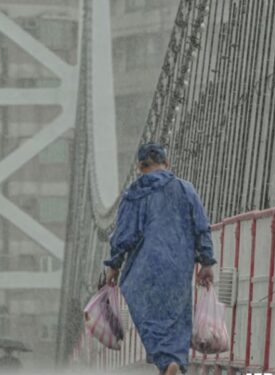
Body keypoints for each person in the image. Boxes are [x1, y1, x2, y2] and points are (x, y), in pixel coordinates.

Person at [104, 143, 215, 375]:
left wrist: (114, 265)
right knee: (176, 316)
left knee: (149, 318)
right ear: (167, 163)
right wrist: (206, 261)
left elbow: (123, 235)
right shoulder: (186, 189)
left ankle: (166, 364)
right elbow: (201, 227)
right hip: (178, 266)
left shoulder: (134, 194)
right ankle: (174, 362)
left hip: (143, 269)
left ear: (140, 167)